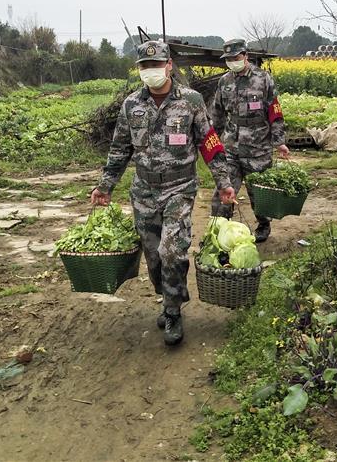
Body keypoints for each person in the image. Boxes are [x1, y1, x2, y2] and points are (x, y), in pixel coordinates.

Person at [91, 40, 236, 346]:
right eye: (145, 66)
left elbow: (209, 144)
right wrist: (105, 186)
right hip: (143, 190)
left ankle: (172, 311)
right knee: (154, 256)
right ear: (139, 70)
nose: (151, 71)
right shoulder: (132, 105)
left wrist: (223, 182)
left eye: (156, 65)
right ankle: (168, 295)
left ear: (169, 65)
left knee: (172, 250)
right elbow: (120, 149)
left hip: (179, 188)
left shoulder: (191, 101)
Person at [210, 39, 290, 243]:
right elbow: (217, 113)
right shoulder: (224, 81)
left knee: (258, 194)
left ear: (245, 56)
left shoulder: (263, 79)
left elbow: (275, 110)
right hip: (231, 147)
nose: (232, 62)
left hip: (258, 148)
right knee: (223, 192)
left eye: (235, 58)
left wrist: (279, 141)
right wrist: (212, 140)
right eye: (228, 59)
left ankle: (263, 225)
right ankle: (219, 230)